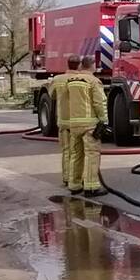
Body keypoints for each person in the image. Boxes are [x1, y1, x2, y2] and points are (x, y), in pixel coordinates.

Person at [63, 55, 109, 197]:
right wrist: (104, 120)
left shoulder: (70, 81)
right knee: (91, 154)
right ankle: (91, 186)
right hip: (89, 124)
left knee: (76, 154)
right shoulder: (94, 81)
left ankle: (74, 185)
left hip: (74, 123)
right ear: (92, 65)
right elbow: (99, 103)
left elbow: (66, 101)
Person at [52, 54, 81, 188]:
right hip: (79, 120)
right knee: (78, 152)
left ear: (67, 64)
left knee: (66, 150)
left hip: (63, 121)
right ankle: (76, 178)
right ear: (79, 65)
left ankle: (66, 177)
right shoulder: (83, 79)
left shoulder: (57, 79)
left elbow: (52, 95)